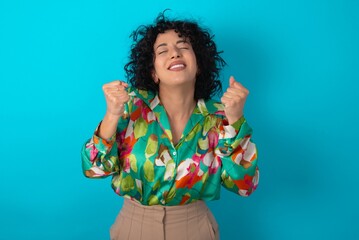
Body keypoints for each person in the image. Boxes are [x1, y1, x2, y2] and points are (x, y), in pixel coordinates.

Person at [81, 11, 259, 240]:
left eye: (183, 47)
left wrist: (235, 121)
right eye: (163, 51)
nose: (174, 53)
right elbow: (94, 169)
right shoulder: (129, 106)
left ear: (199, 64)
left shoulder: (220, 116)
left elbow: (245, 185)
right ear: (153, 72)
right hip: (134, 227)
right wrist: (112, 114)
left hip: (195, 228)